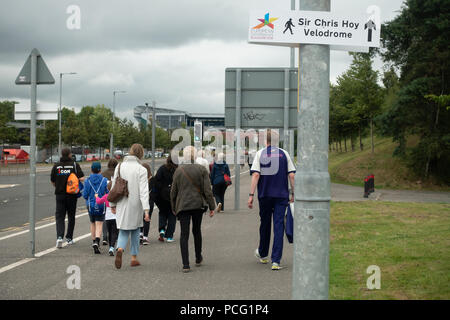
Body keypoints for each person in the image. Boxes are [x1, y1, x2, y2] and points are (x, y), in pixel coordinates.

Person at [247, 130, 296, 270]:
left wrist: (251, 195)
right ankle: (276, 261)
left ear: (265, 140)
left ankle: (263, 254)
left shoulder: (260, 154)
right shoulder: (284, 153)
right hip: (281, 195)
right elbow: (292, 175)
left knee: (265, 224)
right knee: (279, 225)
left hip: (265, 195)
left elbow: (256, 175)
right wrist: (293, 193)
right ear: (277, 140)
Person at [170, 146, 216, 273]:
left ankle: (185, 264)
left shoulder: (179, 171)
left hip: (183, 206)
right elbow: (207, 190)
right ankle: (198, 257)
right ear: (195, 156)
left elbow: (173, 191)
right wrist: (212, 206)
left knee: (184, 234)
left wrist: (173, 207)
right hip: (197, 205)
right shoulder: (201, 169)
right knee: (197, 230)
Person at [110, 144, 150, 269]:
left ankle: (120, 248)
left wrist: (112, 204)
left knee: (123, 229)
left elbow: (114, 186)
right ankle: (133, 258)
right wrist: (146, 209)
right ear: (141, 154)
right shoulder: (141, 169)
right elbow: (144, 191)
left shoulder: (120, 166)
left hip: (122, 202)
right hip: (136, 204)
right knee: (136, 230)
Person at [50, 148, 85, 248]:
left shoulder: (56, 166)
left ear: (61, 154)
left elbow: (52, 180)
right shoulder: (74, 165)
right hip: (72, 195)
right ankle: (69, 238)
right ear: (70, 154)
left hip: (60, 194)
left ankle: (59, 237)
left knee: (60, 216)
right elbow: (81, 178)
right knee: (71, 216)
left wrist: (59, 185)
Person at [83, 162, 108, 254]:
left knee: (92, 223)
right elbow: (107, 192)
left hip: (91, 204)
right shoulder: (104, 180)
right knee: (99, 223)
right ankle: (97, 240)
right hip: (101, 204)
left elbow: (85, 195)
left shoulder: (87, 180)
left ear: (91, 170)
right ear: (100, 170)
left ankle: (94, 241)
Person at [154, 154, 178, 243]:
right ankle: (169, 236)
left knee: (162, 212)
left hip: (162, 196)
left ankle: (162, 229)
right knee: (172, 215)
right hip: (173, 196)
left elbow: (156, 181)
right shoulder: (177, 170)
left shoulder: (162, 169)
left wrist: (161, 190)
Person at [100, 158, 119, 255]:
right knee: (115, 220)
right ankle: (116, 239)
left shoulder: (103, 174)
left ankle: (105, 237)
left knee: (105, 218)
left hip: (106, 197)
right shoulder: (118, 173)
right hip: (115, 198)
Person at [140, 163, 153, 245]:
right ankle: (145, 237)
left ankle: (140, 234)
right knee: (147, 218)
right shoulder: (152, 179)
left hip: (140, 200)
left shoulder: (140, 179)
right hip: (149, 200)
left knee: (139, 218)